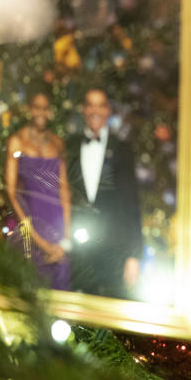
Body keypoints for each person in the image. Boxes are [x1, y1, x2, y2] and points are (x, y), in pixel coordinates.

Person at [65, 87, 143, 298]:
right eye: (90, 104)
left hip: (114, 251)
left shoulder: (122, 149)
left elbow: (131, 203)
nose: (95, 110)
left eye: (100, 105)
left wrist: (133, 256)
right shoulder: (69, 146)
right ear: (84, 109)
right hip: (77, 251)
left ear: (108, 110)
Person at [5, 90, 71, 290]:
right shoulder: (17, 142)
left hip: (58, 227)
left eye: (45, 108)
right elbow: (11, 192)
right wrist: (40, 242)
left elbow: (65, 191)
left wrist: (65, 240)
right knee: (33, 291)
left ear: (50, 112)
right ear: (29, 110)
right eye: (37, 107)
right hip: (31, 225)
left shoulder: (57, 143)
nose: (41, 112)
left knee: (60, 290)